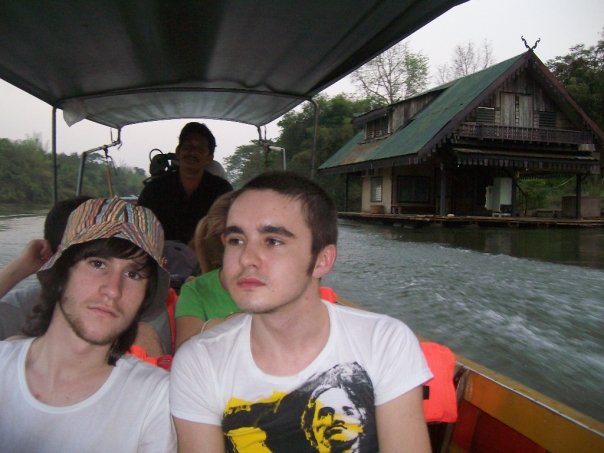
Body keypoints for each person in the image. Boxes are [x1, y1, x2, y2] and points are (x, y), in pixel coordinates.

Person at [170, 171, 432, 452]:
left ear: (322, 260)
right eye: (236, 240)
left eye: (272, 241)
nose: (245, 257)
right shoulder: (200, 362)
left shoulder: (384, 343)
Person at [0, 198, 176, 452]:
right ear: (62, 272)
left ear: (145, 297)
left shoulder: (155, 398)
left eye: (133, 274)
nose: (113, 290)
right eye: (97, 263)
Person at [138, 122, 233, 245]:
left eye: (199, 149)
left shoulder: (222, 190)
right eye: (187, 147)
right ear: (178, 152)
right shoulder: (154, 189)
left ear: (209, 157)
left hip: (208, 260)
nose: (192, 153)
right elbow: (139, 229)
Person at [174, 191, 238, 351]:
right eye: (238, 240)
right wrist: (217, 327)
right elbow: (184, 356)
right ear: (225, 241)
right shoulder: (195, 291)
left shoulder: (284, 285)